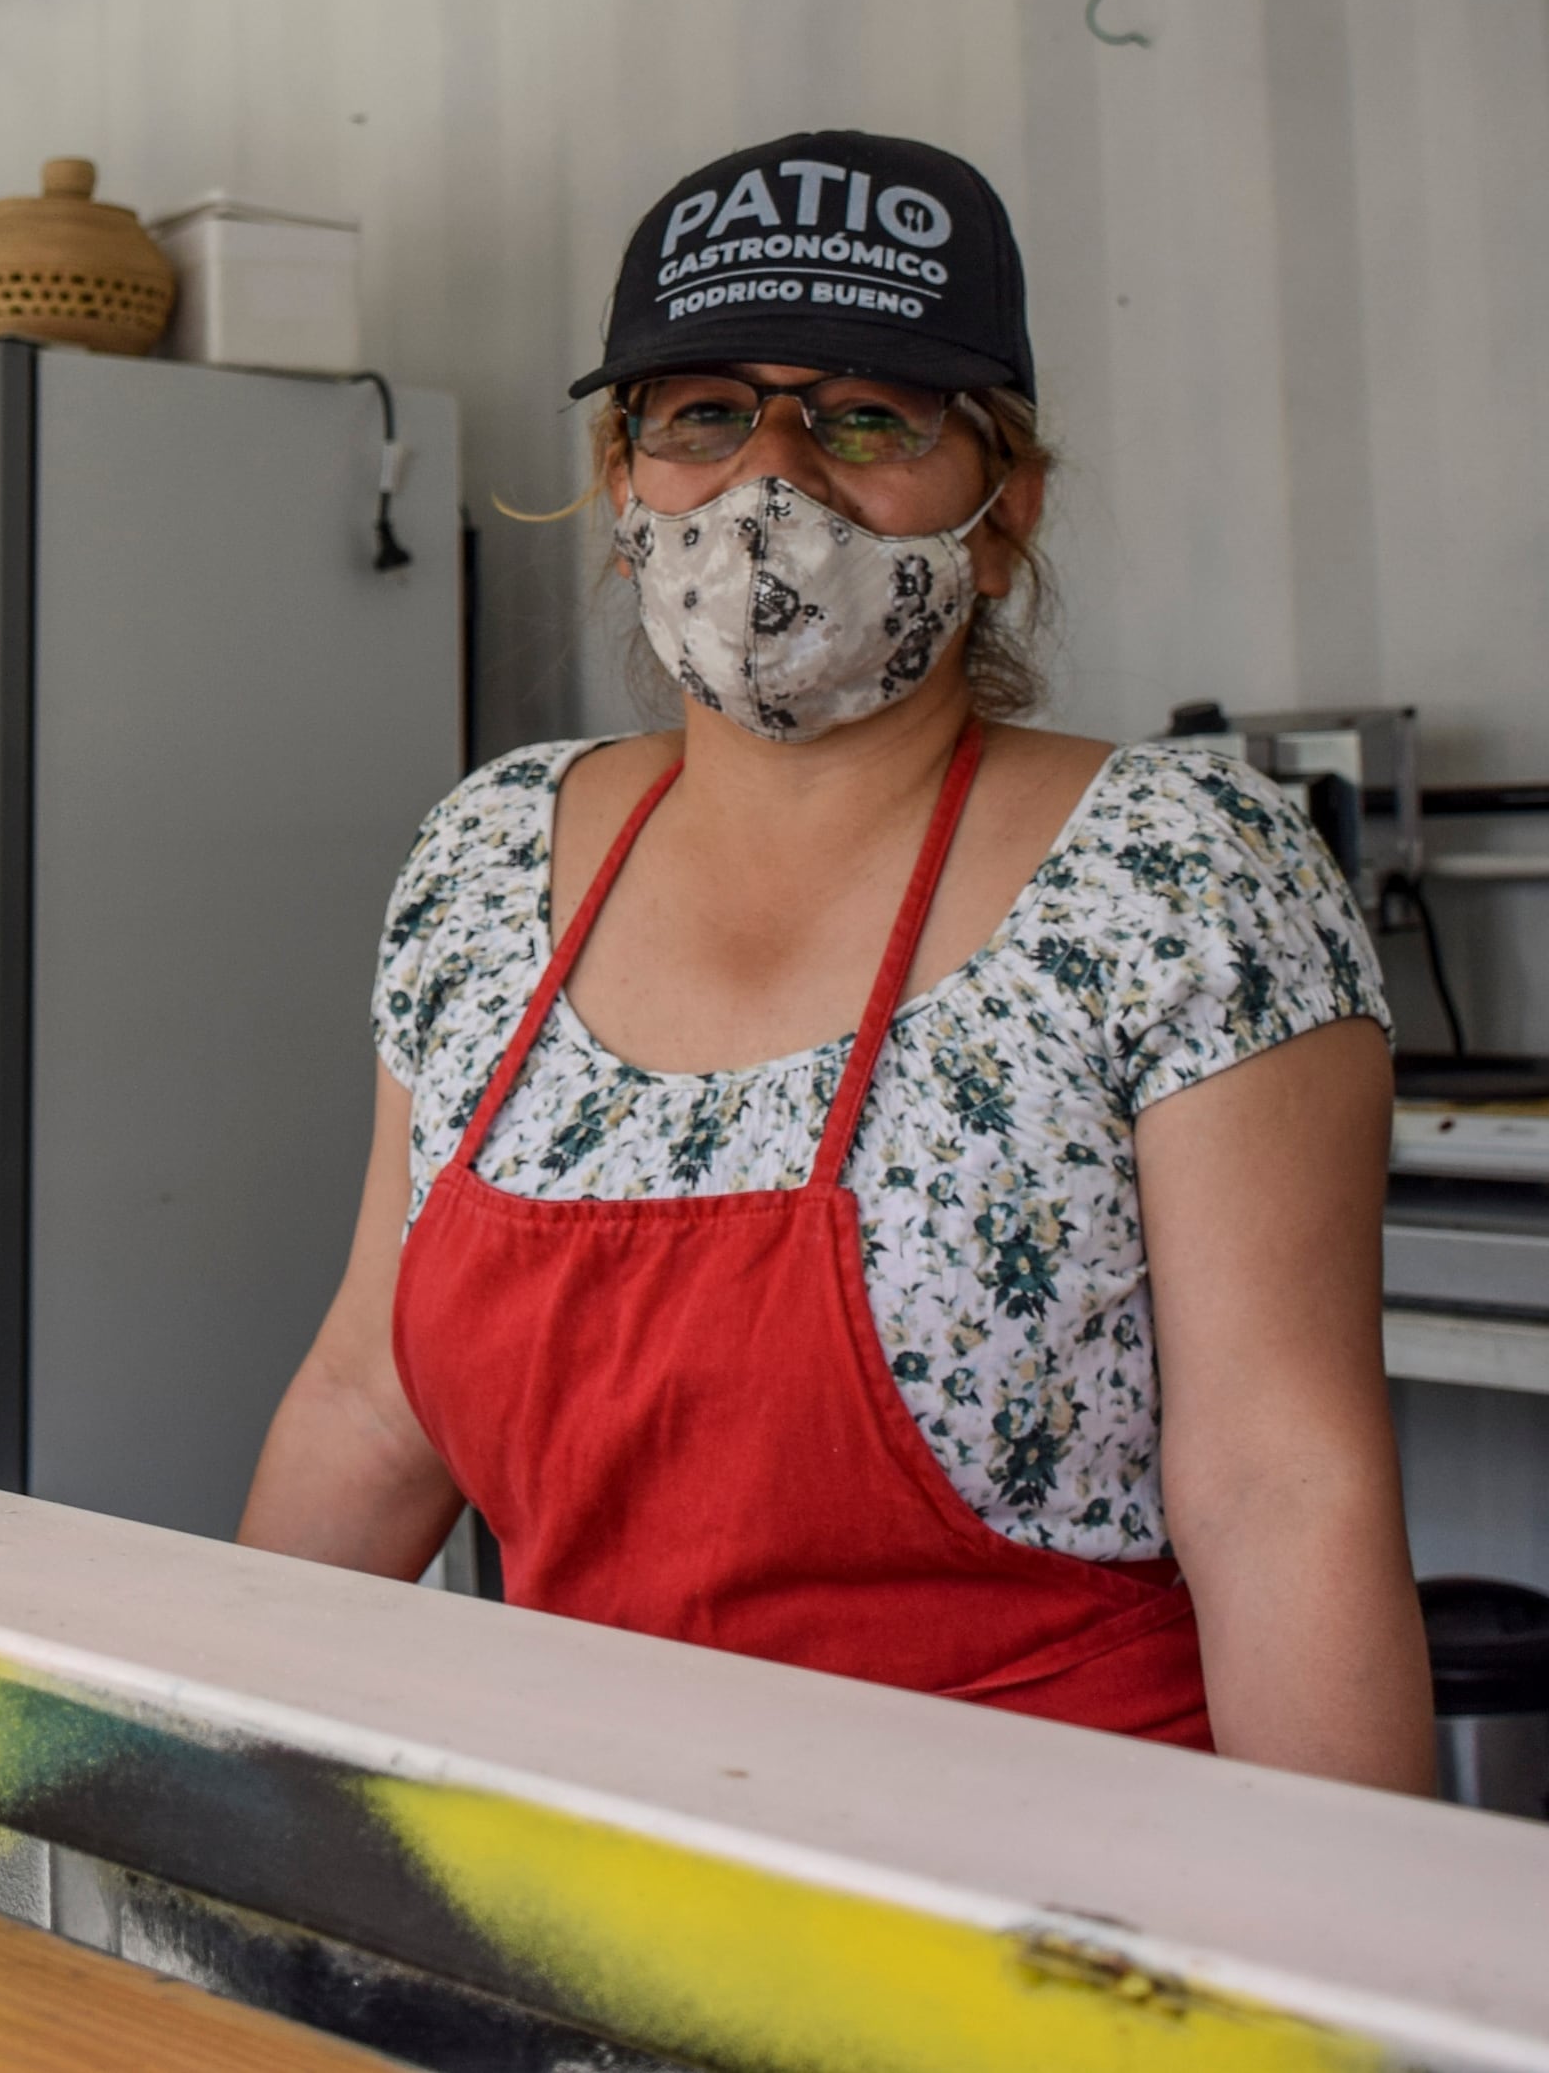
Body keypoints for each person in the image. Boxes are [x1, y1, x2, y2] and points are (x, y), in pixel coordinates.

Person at [240, 130, 1430, 1784]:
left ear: (1002, 512)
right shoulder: (485, 860)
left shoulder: (1176, 872)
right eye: (708, 411)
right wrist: (182, 1786)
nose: (773, 479)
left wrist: (1337, 1991)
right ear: (625, 487)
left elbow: (1281, 1492)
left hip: (1048, 1916)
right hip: (578, 1861)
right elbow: (374, 1404)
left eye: (868, 415)